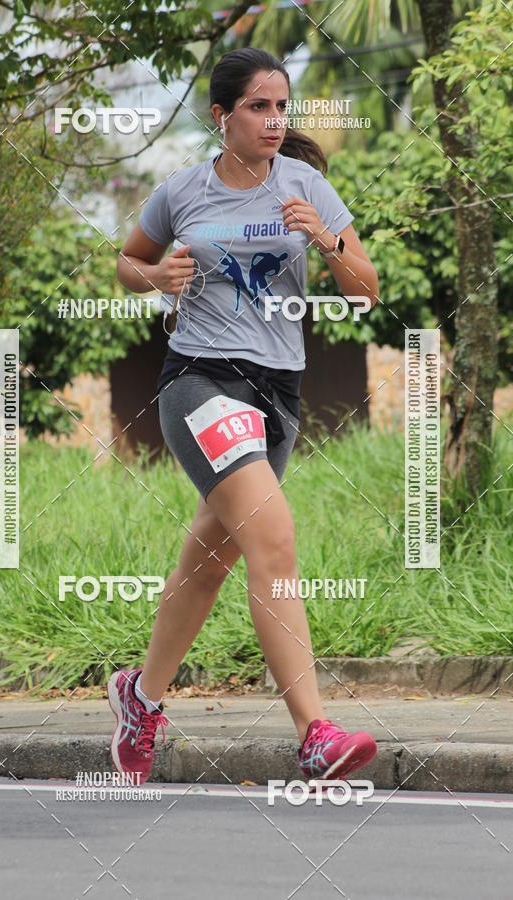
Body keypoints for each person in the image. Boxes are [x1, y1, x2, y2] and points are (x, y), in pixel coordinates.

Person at [110, 47, 380, 786]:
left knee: (211, 558)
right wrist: (157, 275)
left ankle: (141, 697)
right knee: (274, 536)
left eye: (281, 107)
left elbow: (365, 291)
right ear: (222, 116)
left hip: (277, 394)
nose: (274, 120)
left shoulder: (308, 186)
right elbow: (128, 264)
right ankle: (315, 733)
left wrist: (325, 241)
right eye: (258, 107)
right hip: (199, 382)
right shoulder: (181, 191)